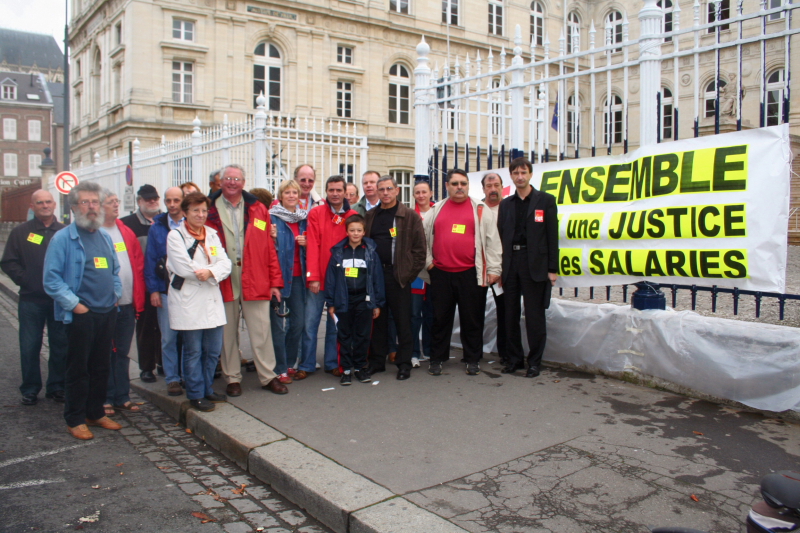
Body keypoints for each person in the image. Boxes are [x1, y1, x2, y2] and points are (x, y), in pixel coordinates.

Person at [44, 182, 123, 440]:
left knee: (101, 367)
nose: (91, 207)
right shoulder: (63, 239)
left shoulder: (103, 236)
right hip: (81, 314)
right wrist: (76, 306)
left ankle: (95, 412)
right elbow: (51, 280)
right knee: (78, 369)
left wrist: (115, 295)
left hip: (106, 312)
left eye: (95, 202)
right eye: (85, 202)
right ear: (74, 207)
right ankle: (75, 418)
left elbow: (114, 271)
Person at [206, 164, 287, 396]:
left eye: (237, 178)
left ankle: (268, 376)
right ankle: (232, 377)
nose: (232, 182)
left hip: (255, 277)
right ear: (220, 182)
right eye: (228, 178)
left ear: (243, 182)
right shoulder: (209, 208)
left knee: (262, 330)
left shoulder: (257, 208)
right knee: (227, 332)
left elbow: (269, 248)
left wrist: (274, 283)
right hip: (223, 279)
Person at [422, 169, 501, 377]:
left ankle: (472, 359)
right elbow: (422, 239)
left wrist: (493, 269)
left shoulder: (481, 209)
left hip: (470, 274)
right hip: (441, 273)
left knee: (472, 319)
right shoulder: (436, 209)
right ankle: (437, 358)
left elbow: (493, 242)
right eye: (455, 183)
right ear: (447, 186)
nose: (459, 187)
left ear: (468, 185)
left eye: (463, 183)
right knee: (440, 319)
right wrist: (429, 263)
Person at [1, 190, 68, 406]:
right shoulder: (21, 232)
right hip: (31, 299)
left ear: (54, 204)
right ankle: (30, 388)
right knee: (30, 345)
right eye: (40, 202)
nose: (45, 205)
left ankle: (57, 386)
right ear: (32, 206)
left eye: (48, 202)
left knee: (60, 344)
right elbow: (8, 262)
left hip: (59, 300)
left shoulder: (65, 232)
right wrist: (26, 280)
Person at [167, 192, 232, 411]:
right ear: (184, 213)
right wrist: (208, 272)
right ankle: (195, 393)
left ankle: (207, 388)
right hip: (190, 300)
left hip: (212, 298)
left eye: (204, 210)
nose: (200, 215)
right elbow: (183, 267)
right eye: (195, 210)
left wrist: (210, 271)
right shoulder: (175, 236)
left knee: (213, 350)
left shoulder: (212, 234)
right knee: (193, 350)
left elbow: (226, 263)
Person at [497, 157, 558, 378]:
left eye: (523, 172)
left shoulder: (546, 201)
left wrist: (552, 268)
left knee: (534, 316)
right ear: (511, 176)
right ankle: (514, 359)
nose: (520, 176)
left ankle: (534, 362)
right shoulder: (506, 204)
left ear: (530, 174)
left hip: (536, 265)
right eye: (516, 173)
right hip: (511, 263)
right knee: (510, 314)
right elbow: (501, 236)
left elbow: (552, 237)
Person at [364, 175, 426, 380]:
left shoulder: (409, 215)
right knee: (378, 320)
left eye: (389, 188)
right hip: (376, 276)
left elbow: (419, 250)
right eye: (381, 189)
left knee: (403, 322)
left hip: (398, 276)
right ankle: (377, 362)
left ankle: (404, 363)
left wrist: (408, 274)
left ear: (397, 190)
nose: (385, 193)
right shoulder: (371, 215)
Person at [304, 175, 357, 376]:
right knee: (310, 324)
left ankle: (333, 363)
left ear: (345, 192)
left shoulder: (352, 215)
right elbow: (313, 247)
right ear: (326, 191)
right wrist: (313, 277)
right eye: (331, 190)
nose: (335, 194)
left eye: (338, 190)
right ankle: (306, 365)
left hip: (341, 281)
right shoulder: (316, 213)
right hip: (319, 279)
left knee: (335, 325)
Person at [324, 215, 385, 385]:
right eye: (352, 230)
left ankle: (359, 367)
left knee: (362, 335)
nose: (355, 233)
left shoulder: (370, 252)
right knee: (344, 336)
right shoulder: (338, 252)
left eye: (359, 230)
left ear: (364, 232)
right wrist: (330, 303)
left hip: (364, 300)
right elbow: (331, 279)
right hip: (343, 300)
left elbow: (377, 279)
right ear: (347, 232)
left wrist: (377, 303)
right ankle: (346, 369)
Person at [101, 190, 145, 416]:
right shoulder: (94, 231)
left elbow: (137, 265)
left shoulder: (125, 231)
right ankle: (105, 396)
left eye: (117, 201)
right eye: (110, 202)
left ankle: (122, 395)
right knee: (105, 352)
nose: (116, 205)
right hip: (105, 306)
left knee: (123, 352)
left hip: (128, 303)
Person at [144, 186, 185, 396]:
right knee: (168, 337)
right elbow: (150, 260)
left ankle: (187, 374)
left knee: (189, 337)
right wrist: (153, 290)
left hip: (189, 291)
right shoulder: (157, 226)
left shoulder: (192, 224)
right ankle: (172, 378)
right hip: (165, 288)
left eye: (176, 200)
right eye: (168, 200)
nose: (172, 205)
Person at [121, 184, 162, 383]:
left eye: (155, 198)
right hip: (141, 284)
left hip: (165, 283)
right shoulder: (127, 224)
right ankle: (146, 367)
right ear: (139, 202)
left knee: (166, 327)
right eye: (148, 199)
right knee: (146, 327)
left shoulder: (165, 221)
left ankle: (164, 362)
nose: (153, 202)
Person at [269, 180, 308, 383]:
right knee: (277, 325)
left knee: (298, 323)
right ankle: (279, 368)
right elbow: (265, 249)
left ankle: (290, 361)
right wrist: (272, 239)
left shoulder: (304, 219)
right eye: (287, 192)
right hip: (279, 278)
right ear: (281, 195)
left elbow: (316, 245)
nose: (292, 195)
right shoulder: (271, 217)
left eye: (295, 192)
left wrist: (308, 244)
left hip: (299, 278)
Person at [481, 172, 509, 366]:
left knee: (505, 312)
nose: (493, 189)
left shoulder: (509, 208)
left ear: (501, 187)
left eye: (496, 185)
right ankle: (472, 353)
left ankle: (505, 353)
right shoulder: (477, 209)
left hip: (503, 269)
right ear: (483, 188)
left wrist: (500, 269)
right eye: (489, 186)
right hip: (479, 267)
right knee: (473, 311)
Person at [410, 180, 435, 367]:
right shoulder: (410, 215)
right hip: (417, 272)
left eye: (424, 192)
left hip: (436, 269)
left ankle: (429, 349)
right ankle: (413, 351)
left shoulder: (440, 211)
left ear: (431, 193)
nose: (421, 195)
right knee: (414, 312)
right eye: (417, 192)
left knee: (432, 313)